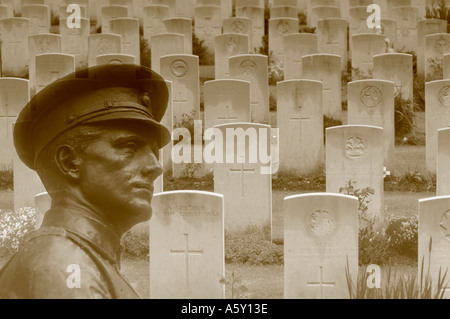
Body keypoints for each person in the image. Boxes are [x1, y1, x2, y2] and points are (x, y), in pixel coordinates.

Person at [0, 64, 171, 299]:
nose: (155, 167)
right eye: (130, 147)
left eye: (154, 152)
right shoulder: (61, 265)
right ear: (69, 162)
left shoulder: (84, 256)